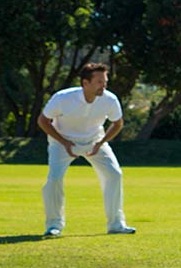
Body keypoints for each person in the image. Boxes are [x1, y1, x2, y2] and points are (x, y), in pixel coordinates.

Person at [37, 63, 134, 236]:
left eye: (104, 82)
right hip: (62, 142)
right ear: (85, 83)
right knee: (54, 180)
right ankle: (54, 226)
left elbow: (117, 123)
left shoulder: (110, 99)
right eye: (98, 82)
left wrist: (100, 142)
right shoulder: (62, 98)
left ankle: (116, 224)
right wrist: (65, 143)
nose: (103, 86)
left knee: (114, 175)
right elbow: (43, 121)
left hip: (95, 140)